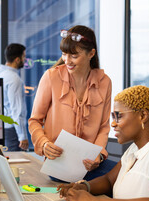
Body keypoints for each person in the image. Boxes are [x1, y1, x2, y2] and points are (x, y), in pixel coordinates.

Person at [28, 25, 114, 181]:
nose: (67, 60)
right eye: (64, 54)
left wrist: (99, 155)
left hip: (90, 163)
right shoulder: (51, 77)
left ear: (91, 54)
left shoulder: (105, 82)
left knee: (125, 174)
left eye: (74, 56)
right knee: (117, 180)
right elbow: (34, 121)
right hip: (58, 164)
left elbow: (103, 127)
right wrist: (44, 144)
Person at [0, 43, 29, 151]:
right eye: (24, 57)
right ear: (17, 59)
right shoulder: (14, 79)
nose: (25, 59)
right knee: (16, 163)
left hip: (0, 126)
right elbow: (17, 110)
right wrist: (23, 136)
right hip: (12, 130)